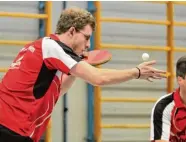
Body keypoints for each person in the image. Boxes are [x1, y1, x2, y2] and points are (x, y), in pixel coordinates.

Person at [0, 7, 166, 142]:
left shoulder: (39, 48)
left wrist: (76, 69)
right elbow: (98, 78)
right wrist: (135, 72)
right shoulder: (53, 48)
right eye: (86, 38)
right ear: (72, 31)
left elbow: (58, 89)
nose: (88, 45)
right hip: (10, 129)